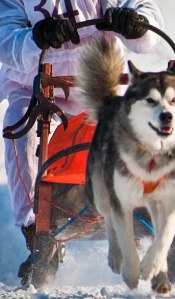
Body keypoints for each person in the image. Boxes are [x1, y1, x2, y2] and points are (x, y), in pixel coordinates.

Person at [0, 0, 164, 286]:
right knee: (20, 131)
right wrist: (35, 37)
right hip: (35, 83)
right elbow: (5, 37)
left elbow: (146, 17)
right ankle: (36, 232)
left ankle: (136, 211)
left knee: (123, 140)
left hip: (100, 78)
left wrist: (135, 22)